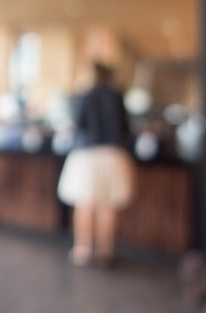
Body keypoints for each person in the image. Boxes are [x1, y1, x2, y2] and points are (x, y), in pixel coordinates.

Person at [58, 62, 135, 267]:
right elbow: (126, 127)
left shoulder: (83, 96)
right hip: (114, 154)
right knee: (107, 206)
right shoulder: (117, 95)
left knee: (84, 204)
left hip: (86, 155)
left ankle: (82, 249)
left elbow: (78, 124)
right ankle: (104, 250)